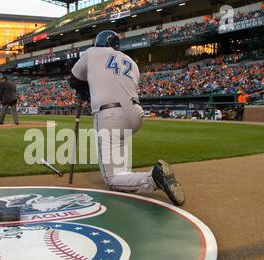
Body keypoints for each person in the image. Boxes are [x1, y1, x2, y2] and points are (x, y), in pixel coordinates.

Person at [69, 30, 185, 206]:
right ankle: (133, 177)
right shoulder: (131, 62)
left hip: (110, 115)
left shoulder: (92, 52)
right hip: (136, 115)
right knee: (120, 168)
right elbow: (116, 82)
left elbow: (74, 80)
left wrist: (85, 92)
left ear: (98, 42)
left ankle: (154, 178)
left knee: (112, 179)